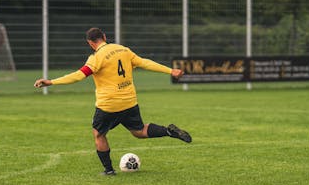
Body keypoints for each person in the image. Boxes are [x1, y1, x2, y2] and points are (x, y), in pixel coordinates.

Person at [34, 27, 192, 175]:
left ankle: (108, 170)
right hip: (129, 101)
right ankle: (169, 131)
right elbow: (145, 63)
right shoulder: (123, 49)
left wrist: (51, 82)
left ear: (90, 43)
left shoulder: (96, 58)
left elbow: (78, 75)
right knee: (139, 131)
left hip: (108, 105)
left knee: (99, 135)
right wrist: (171, 70)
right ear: (104, 37)